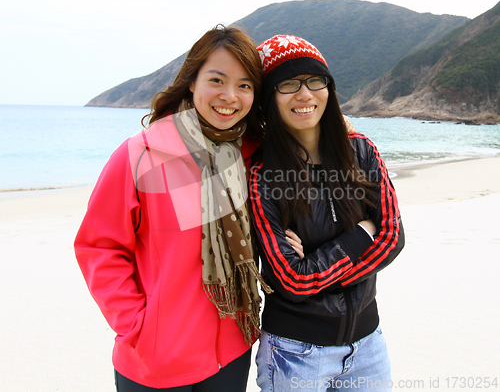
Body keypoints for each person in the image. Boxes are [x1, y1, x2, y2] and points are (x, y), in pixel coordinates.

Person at [74, 25, 270, 391]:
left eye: (245, 85)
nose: (230, 96)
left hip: (232, 351)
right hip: (156, 360)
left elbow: (309, 138)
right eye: (217, 80)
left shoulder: (253, 155)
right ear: (191, 81)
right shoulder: (142, 154)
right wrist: (137, 327)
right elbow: (99, 246)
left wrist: (340, 126)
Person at [249, 35, 405, 391]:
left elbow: (394, 238)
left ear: (328, 88)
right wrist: (362, 235)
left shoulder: (361, 151)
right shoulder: (263, 176)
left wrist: (316, 267)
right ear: (269, 98)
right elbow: (292, 280)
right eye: (288, 84)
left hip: (368, 343)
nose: (304, 95)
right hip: (296, 351)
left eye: (314, 81)